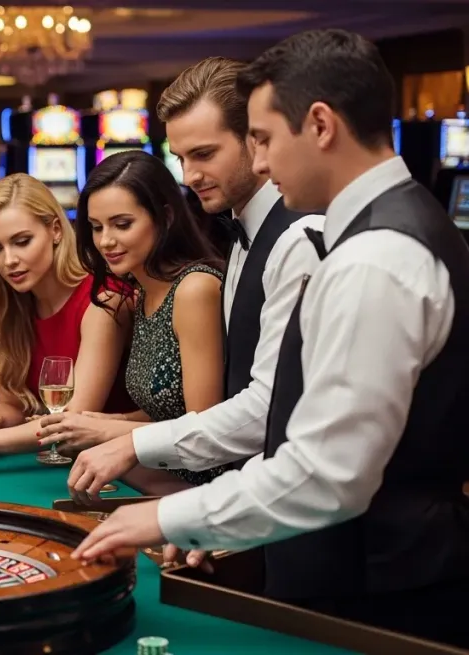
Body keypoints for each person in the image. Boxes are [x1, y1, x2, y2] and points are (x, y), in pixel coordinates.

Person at [74, 29, 469, 648]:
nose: (258, 162)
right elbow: (295, 415)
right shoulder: (386, 227)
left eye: (262, 139)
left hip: (377, 585)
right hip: (351, 567)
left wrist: (167, 513)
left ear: (319, 125)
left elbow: (328, 471)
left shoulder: (374, 256)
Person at [64, 58, 325, 505]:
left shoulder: (297, 237)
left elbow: (268, 407)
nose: (188, 177)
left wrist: (129, 442)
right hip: (244, 497)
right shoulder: (238, 236)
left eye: (203, 154)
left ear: (255, 139)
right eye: (181, 158)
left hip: (290, 503)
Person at [0, 174, 133, 478]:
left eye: (22, 242)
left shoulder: (102, 300)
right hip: (59, 466)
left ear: (56, 230)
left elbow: (72, 419)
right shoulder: (12, 304)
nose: (9, 260)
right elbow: (11, 405)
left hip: (119, 472)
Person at [40, 151, 228, 487]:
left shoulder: (194, 289)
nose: (105, 241)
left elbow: (203, 430)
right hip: (153, 474)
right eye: (96, 227)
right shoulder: (140, 292)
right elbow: (169, 407)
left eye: (122, 224)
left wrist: (107, 429)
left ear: (165, 217)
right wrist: (114, 419)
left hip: (201, 490)